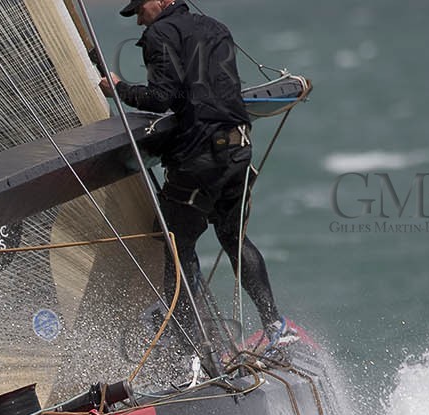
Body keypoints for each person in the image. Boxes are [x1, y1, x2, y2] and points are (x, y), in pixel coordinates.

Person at [99, 0, 296, 354]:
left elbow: (162, 98)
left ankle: (189, 345)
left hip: (201, 157)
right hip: (239, 148)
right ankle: (274, 324)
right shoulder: (216, 27)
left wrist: (119, 89)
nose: (139, 20)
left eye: (140, 9)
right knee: (233, 238)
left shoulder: (160, 33)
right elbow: (212, 93)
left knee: (178, 244)